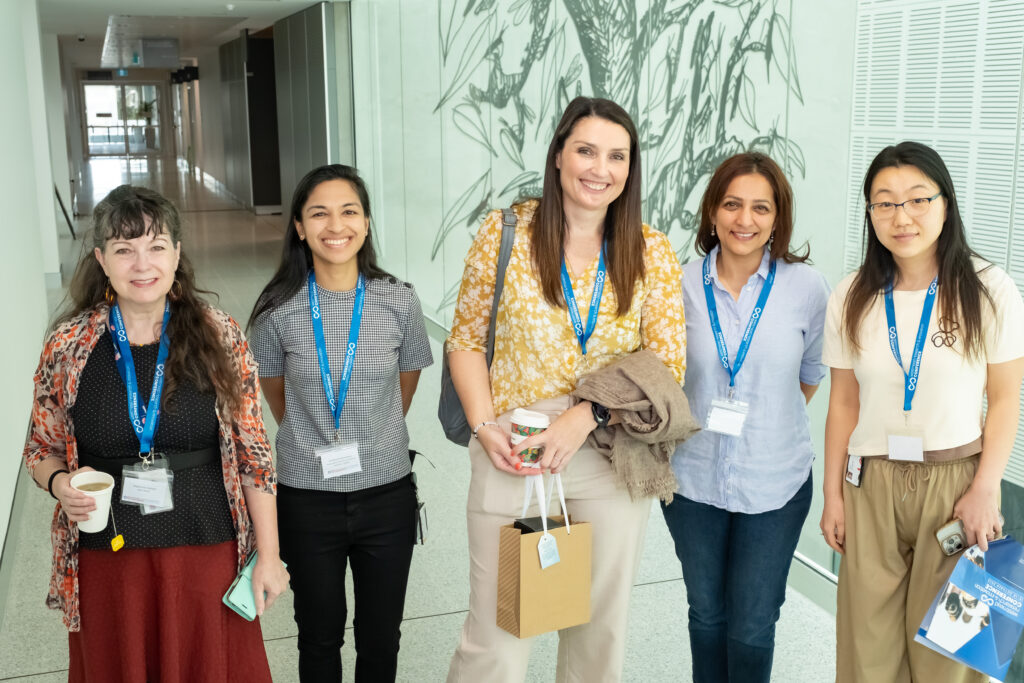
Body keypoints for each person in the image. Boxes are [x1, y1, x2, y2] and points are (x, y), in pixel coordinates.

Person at [445, 96, 686, 683]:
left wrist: (587, 414)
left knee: (598, 632)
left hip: (609, 448)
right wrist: (483, 427)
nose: (600, 169)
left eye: (617, 156)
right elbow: (466, 341)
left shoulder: (650, 250)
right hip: (514, 446)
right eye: (586, 151)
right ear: (558, 155)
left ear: (630, 168)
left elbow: (667, 362)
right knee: (497, 634)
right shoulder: (505, 232)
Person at [22, 185, 288, 683]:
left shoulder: (219, 334)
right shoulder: (69, 344)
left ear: (177, 254)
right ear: (102, 260)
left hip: (206, 547)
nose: (142, 264)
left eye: (156, 246)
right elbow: (41, 448)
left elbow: (253, 455)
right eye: (124, 249)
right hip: (110, 553)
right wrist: (60, 484)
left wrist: (270, 557)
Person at [820, 141, 1024, 682]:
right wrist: (833, 495)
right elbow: (843, 402)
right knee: (867, 649)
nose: (901, 216)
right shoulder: (851, 294)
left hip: (957, 484)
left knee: (952, 660)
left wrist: (986, 488)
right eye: (884, 202)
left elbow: (1006, 398)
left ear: (945, 204)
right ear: (870, 213)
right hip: (871, 484)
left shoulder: (989, 288)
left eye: (917, 199)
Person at [249, 164, 433, 683]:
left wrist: (372, 433)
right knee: (318, 636)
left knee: (381, 637)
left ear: (366, 222)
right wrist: (322, 432)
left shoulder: (399, 299)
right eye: (319, 214)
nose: (336, 226)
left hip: (386, 494)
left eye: (349, 211)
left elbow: (404, 385)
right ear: (299, 227)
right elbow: (277, 396)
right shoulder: (277, 309)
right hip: (306, 498)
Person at [662, 152, 829, 682]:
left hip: (775, 481)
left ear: (778, 218)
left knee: (754, 625)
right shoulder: (678, 284)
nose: (745, 219)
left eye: (761, 207)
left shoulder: (807, 288)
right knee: (706, 613)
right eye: (732, 204)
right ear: (712, 211)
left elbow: (809, 375)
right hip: (692, 481)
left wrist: (762, 428)